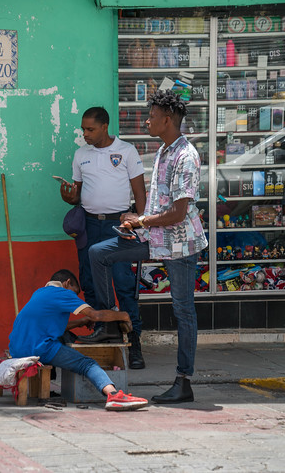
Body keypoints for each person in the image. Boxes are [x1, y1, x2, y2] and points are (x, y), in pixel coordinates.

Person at [88, 90, 208, 404]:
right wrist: (138, 222)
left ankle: (184, 381)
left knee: (183, 311)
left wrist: (142, 221)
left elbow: (179, 213)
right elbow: (160, 204)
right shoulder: (163, 151)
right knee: (99, 253)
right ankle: (111, 324)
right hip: (155, 240)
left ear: (167, 120)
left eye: (152, 116)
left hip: (180, 246)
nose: (147, 121)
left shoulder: (185, 156)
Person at [59, 106, 146, 369]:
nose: (85, 134)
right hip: (88, 226)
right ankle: (102, 335)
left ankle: (133, 341)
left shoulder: (127, 151)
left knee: (122, 283)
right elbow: (78, 193)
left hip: (118, 226)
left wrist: (141, 223)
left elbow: (140, 193)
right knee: (90, 282)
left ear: (104, 127)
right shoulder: (80, 154)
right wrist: (69, 197)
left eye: (90, 129)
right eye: (83, 129)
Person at [9, 269, 148, 412]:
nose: (74, 297)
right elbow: (96, 315)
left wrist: (81, 321)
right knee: (87, 364)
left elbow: (54, 327)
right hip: (39, 348)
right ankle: (114, 395)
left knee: (60, 340)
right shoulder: (63, 293)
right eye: (75, 293)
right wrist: (123, 315)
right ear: (67, 283)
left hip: (16, 348)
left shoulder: (39, 293)